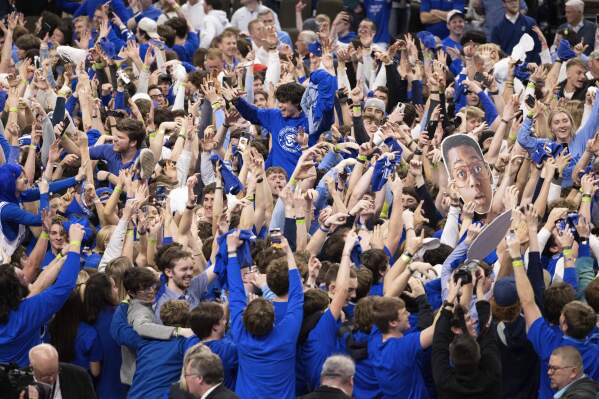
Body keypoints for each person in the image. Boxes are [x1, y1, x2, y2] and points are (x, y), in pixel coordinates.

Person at [226, 232, 303, 399]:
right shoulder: (287, 334)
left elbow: (235, 291)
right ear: (274, 318)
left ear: (244, 319)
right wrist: (289, 253)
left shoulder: (240, 332)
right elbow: (297, 294)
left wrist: (231, 251)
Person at [0, 224, 84, 366]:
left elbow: (39, 284)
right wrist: (75, 244)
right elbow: (64, 286)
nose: (27, 277)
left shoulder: (10, 305)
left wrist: (61, 257)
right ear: (16, 291)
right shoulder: (26, 313)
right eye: (23, 277)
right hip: (26, 379)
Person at [441, 134, 493, 215]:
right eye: (461, 173)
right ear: (454, 187)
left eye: (477, 169)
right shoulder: (458, 223)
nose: (474, 182)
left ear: (488, 172)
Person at [28, 343, 96, 399]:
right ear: (32, 369)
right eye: (46, 376)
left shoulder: (79, 376)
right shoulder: (20, 384)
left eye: (54, 372)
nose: (51, 379)